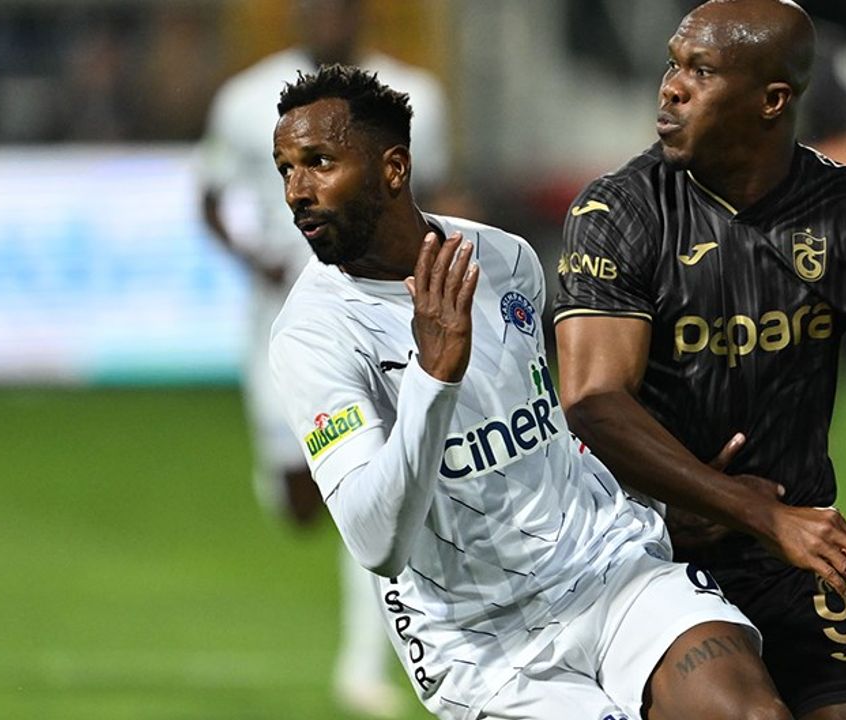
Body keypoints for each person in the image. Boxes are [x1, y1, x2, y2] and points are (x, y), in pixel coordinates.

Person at [267, 63, 796, 720]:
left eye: (318, 163)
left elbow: (551, 426)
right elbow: (376, 542)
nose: (297, 191)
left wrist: (662, 499)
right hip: (481, 647)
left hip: (608, 568)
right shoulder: (312, 336)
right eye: (285, 169)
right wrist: (433, 379)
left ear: (393, 168)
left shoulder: (504, 260)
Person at [553, 1, 846, 718]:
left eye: (701, 71)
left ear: (772, 100)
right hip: (645, 554)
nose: (671, 87)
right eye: (673, 65)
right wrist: (756, 511)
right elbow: (596, 404)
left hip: (783, 559)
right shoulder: (620, 212)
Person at [195, 1, 448, 714]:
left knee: (374, 489)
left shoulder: (413, 97)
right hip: (282, 319)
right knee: (302, 500)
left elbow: (437, 193)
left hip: (380, 312)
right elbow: (208, 197)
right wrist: (255, 262)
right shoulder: (245, 98)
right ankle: (294, 479)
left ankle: (365, 666)